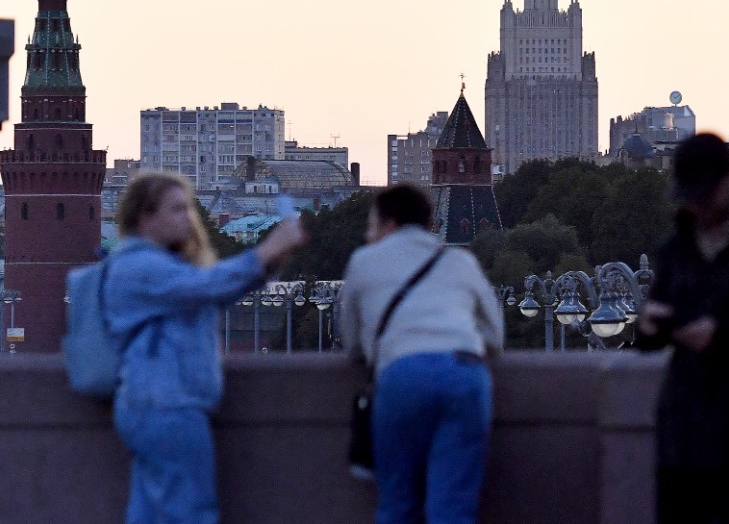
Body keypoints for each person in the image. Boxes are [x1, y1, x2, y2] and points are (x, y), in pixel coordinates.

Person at [103, 172, 306, 523]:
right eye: (177, 209)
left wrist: (267, 264)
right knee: (190, 512)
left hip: (156, 403)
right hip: (168, 405)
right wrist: (265, 251)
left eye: (188, 208)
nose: (188, 218)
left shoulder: (149, 265)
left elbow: (209, 292)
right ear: (145, 218)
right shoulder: (139, 265)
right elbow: (206, 286)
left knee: (151, 513)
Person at [636, 132, 729, 524]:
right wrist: (650, 326)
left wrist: (723, 335)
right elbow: (650, 332)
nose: (697, 206)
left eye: (705, 194)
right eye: (690, 196)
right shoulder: (676, 248)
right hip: (682, 430)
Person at [341, 184, 503, 524]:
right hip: (465, 375)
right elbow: (495, 336)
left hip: (402, 378)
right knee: (453, 505)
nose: (369, 235)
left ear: (388, 225)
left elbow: (352, 343)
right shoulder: (459, 260)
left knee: (397, 503)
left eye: (371, 226)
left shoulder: (363, 262)